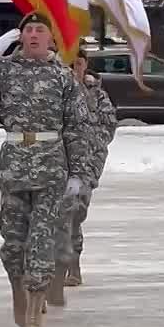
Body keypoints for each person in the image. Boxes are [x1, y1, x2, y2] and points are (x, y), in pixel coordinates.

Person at [0, 12, 92, 327]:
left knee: (42, 238)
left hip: (51, 166)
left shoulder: (63, 76)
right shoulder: (4, 70)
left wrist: (78, 174)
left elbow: (77, 128)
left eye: (39, 30)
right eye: (27, 29)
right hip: (15, 165)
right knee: (13, 240)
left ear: (51, 38)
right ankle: (18, 290)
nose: (32, 34)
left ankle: (35, 308)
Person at [62, 50, 117, 288]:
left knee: (75, 213)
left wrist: (92, 150)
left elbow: (108, 127)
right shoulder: (57, 92)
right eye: (71, 63)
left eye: (80, 63)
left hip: (86, 164)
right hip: (57, 162)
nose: (75, 68)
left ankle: (74, 266)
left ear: (86, 66)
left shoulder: (98, 95)